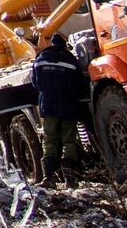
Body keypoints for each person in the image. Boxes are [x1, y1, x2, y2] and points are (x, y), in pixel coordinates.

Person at [30, 34, 87, 183]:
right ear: (63, 45)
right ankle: (70, 178)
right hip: (68, 105)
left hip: (48, 105)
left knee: (50, 139)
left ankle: (49, 177)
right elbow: (79, 83)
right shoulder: (71, 60)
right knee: (69, 140)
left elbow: (35, 82)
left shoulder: (39, 60)